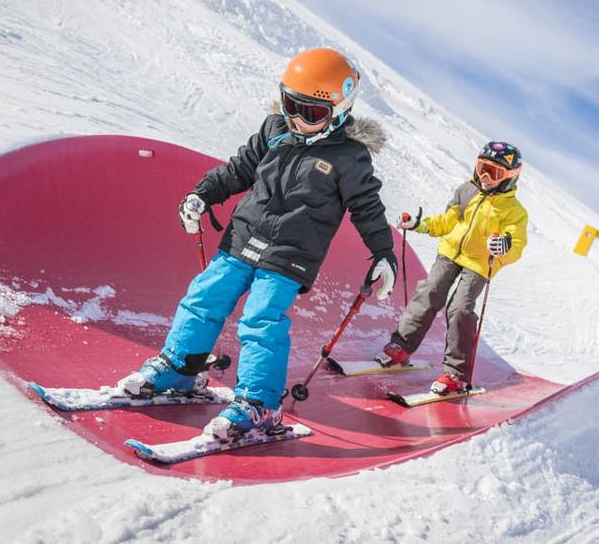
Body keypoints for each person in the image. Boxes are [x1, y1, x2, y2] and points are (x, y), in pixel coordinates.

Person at [117, 47, 397, 440]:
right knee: (203, 297)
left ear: (339, 110)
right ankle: (180, 370)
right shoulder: (274, 129)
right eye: (290, 105)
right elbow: (239, 170)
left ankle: (259, 404)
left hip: (290, 255)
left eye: (311, 113)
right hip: (243, 237)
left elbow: (367, 206)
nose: (297, 119)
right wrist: (203, 193)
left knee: (261, 319)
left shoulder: (349, 157)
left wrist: (384, 253)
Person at [375, 142, 528, 395]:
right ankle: (401, 346)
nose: (485, 177)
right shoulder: (466, 190)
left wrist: (505, 245)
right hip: (449, 252)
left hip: (479, 264)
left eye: (495, 173)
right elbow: (446, 222)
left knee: (460, 310)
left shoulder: (514, 211)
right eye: (482, 168)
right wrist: (419, 224)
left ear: (511, 177)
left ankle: (454, 373)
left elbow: (517, 242)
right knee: (429, 292)